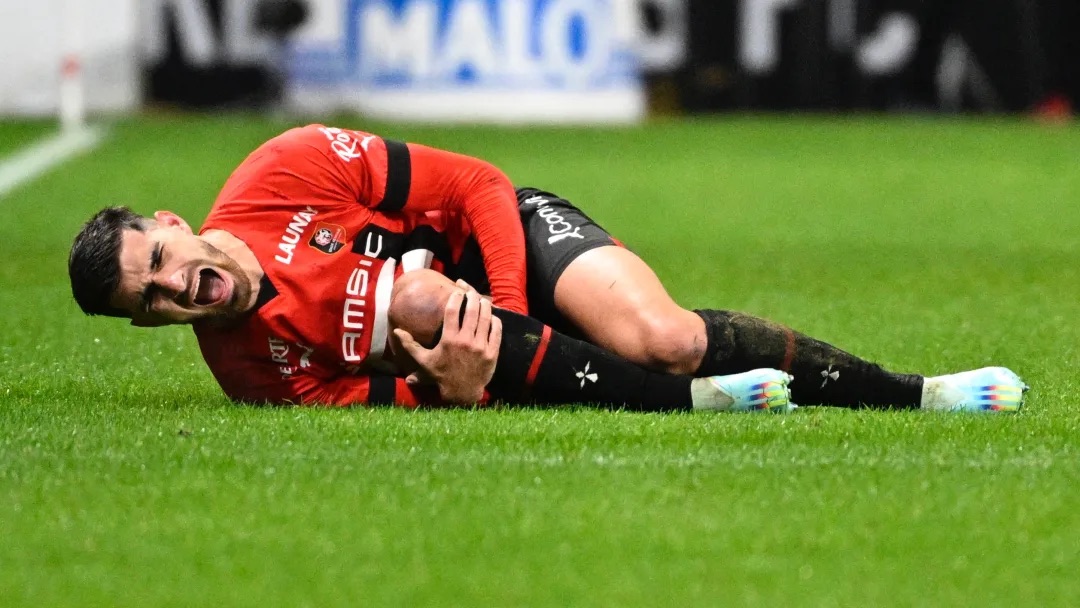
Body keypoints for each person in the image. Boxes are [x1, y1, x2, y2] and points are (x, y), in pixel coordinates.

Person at [67, 124, 1027, 413]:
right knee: (431, 321)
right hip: (474, 341)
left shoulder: (283, 171)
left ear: (174, 224)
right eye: (148, 302)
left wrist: (508, 308)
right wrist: (452, 392)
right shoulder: (250, 376)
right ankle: (704, 405)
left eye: (159, 260)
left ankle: (917, 394)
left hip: (507, 242)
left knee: (667, 338)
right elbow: (378, 410)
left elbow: (477, 180)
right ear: (150, 327)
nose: (173, 286)